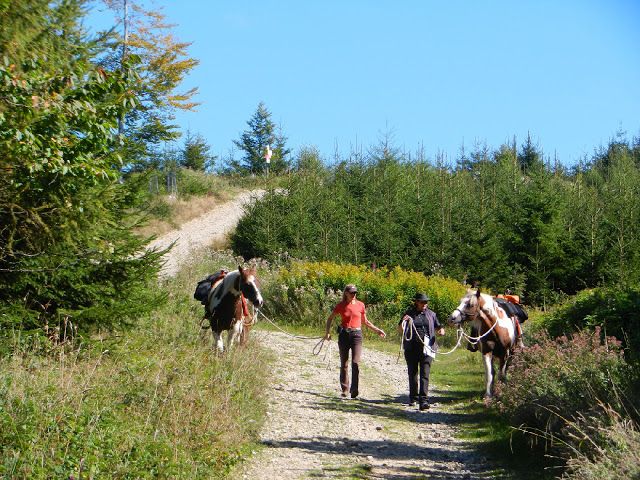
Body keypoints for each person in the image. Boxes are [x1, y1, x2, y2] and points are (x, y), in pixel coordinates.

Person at [324, 284, 386, 399]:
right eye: (351, 293)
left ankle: (354, 389)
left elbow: (365, 321)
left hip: (357, 335)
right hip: (344, 335)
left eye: (355, 293)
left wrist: (377, 330)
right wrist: (327, 332)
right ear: (346, 293)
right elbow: (330, 318)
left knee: (356, 362)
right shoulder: (341, 305)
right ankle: (345, 389)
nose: (354, 295)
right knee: (344, 363)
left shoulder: (360, 305)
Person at [398, 293, 445, 410]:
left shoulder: (431, 314)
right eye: (423, 302)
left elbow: (439, 326)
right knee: (412, 373)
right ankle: (413, 397)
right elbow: (400, 329)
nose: (425, 304)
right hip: (411, 347)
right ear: (417, 302)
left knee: (425, 373)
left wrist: (441, 331)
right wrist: (404, 323)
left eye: (426, 302)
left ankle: (423, 400)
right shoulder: (408, 314)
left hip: (427, 348)